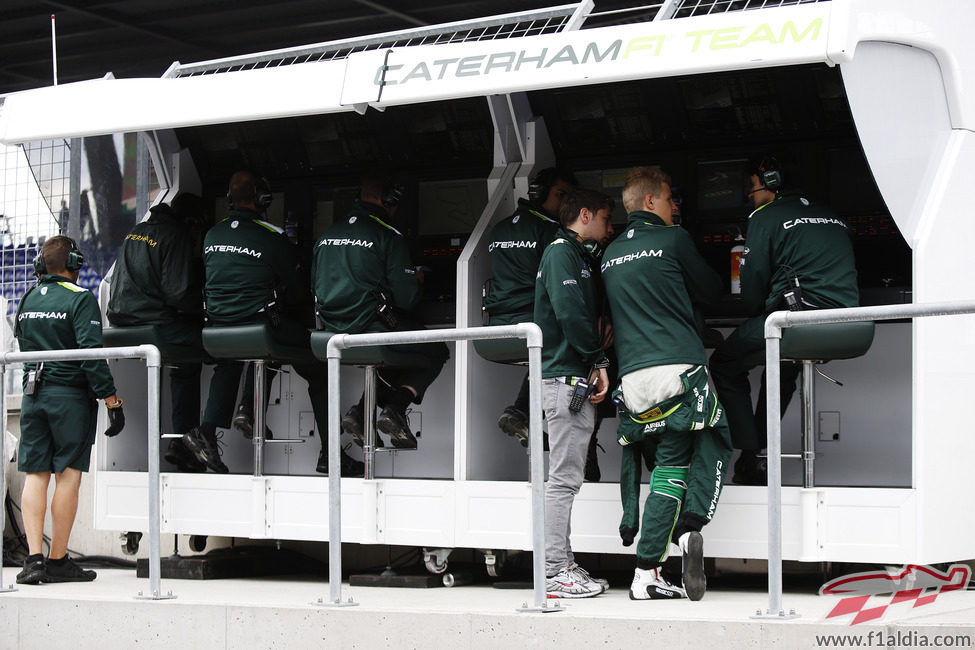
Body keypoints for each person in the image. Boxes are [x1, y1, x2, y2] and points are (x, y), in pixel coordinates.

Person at [601, 166, 732, 601]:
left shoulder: (610, 253)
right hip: (678, 371)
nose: (676, 206)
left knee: (664, 468)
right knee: (690, 458)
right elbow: (713, 290)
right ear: (652, 202)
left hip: (632, 380)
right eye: (671, 198)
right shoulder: (674, 239)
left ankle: (674, 543)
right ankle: (649, 571)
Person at [183, 170, 363, 476]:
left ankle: (209, 431)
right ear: (262, 199)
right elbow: (295, 290)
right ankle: (330, 455)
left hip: (216, 330)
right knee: (317, 364)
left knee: (233, 359)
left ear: (229, 199)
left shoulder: (212, 235)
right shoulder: (273, 236)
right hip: (261, 330)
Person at [709, 158, 859, 485]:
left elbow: (751, 292)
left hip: (797, 323)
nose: (750, 195)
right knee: (783, 366)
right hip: (852, 324)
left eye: (752, 187)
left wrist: (758, 303)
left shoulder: (766, 217)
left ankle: (752, 453)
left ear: (771, 182)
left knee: (723, 363)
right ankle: (758, 456)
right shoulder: (833, 216)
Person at [15, 235, 126, 584]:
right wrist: (112, 400)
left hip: (33, 396)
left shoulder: (28, 298)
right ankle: (59, 560)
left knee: (36, 475)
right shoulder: (81, 299)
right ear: (75, 263)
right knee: (68, 477)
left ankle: (33, 562)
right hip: (69, 400)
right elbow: (91, 356)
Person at [313, 169, 449, 450]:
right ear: (392, 197)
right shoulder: (388, 235)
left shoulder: (327, 234)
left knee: (397, 351)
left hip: (328, 333)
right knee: (434, 349)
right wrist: (417, 280)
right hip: (370, 329)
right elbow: (406, 297)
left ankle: (363, 413)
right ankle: (395, 409)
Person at [534, 187, 614, 598]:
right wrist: (598, 360)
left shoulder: (574, 254)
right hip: (565, 378)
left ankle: (562, 564)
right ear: (584, 214)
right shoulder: (560, 252)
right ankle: (553, 571)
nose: (608, 228)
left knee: (566, 479)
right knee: (563, 481)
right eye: (604, 219)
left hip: (570, 378)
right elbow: (569, 313)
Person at [107, 193, 208, 472]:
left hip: (123, 324)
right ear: (192, 220)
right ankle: (192, 440)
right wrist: (206, 311)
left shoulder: (137, 231)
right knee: (212, 348)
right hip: (154, 325)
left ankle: (184, 442)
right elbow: (177, 294)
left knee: (185, 355)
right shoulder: (176, 235)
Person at [483, 167, 576, 446]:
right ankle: (529, 414)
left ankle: (525, 415)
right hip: (533, 325)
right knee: (574, 344)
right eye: (563, 196)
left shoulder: (499, 228)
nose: (566, 204)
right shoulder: (552, 232)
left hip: (495, 328)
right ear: (545, 194)